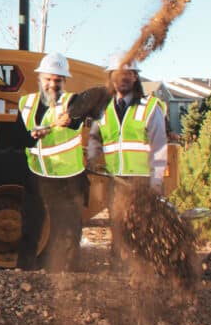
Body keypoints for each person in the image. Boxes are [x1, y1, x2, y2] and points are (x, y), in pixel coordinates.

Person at [87, 55, 168, 264]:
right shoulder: (104, 109)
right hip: (117, 180)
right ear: (111, 78)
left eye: (128, 73)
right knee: (118, 226)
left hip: (142, 180)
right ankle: (119, 270)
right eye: (118, 73)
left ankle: (144, 271)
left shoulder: (149, 107)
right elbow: (95, 137)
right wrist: (93, 160)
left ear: (135, 77)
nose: (123, 78)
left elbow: (159, 146)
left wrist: (156, 181)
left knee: (143, 227)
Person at [17, 52, 88, 271]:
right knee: (31, 226)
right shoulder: (26, 103)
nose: (52, 84)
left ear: (64, 82)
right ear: (40, 79)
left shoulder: (72, 102)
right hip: (36, 173)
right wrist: (33, 135)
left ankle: (67, 276)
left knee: (67, 229)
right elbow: (18, 137)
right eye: (48, 79)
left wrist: (72, 118)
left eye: (57, 80)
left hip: (67, 176)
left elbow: (79, 115)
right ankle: (26, 272)